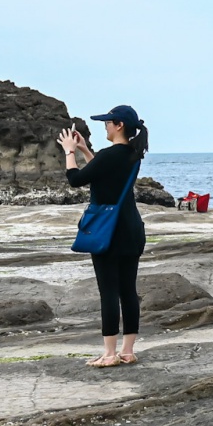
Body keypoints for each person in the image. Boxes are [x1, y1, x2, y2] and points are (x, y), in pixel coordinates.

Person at [58, 106, 148, 367]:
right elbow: (103, 172)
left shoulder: (111, 155)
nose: (105, 127)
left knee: (108, 291)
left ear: (119, 125)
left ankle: (109, 354)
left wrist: (69, 152)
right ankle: (127, 351)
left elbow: (76, 179)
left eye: (108, 123)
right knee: (128, 291)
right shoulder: (133, 154)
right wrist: (86, 151)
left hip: (109, 232)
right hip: (131, 228)